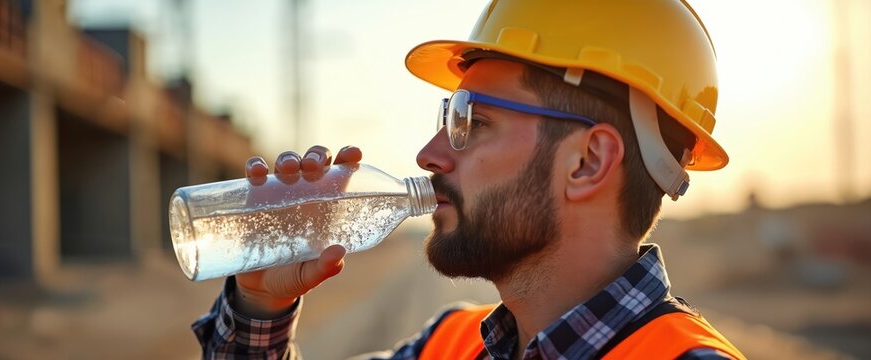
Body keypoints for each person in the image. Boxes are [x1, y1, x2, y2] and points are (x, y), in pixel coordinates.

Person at [192, 0, 746, 358]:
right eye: (446, 119)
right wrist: (259, 305)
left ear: (588, 162)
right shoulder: (453, 345)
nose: (429, 155)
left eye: (473, 122)